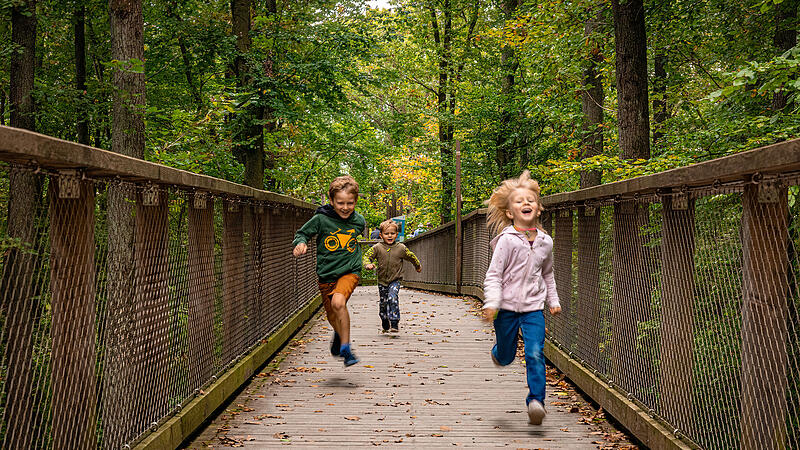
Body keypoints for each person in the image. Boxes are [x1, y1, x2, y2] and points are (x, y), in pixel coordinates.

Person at [481, 170, 561, 425]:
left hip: (533, 309)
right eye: (519, 201)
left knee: (535, 352)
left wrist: (553, 300)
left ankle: (536, 401)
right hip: (505, 309)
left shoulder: (546, 242)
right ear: (509, 212)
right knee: (506, 356)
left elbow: (547, 274)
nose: (526, 203)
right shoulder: (506, 241)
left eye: (531, 200)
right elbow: (494, 275)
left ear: (538, 209)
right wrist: (492, 302)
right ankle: (499, 352)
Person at [293, 175, 366, 367]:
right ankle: (339, 334)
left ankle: (346, 348)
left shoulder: (359, 221)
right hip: (326, 274)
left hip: (350, 270)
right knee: (332, 315)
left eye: (350, 203)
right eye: (340, 202)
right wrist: (300, 243)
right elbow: (302, 233)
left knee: (338, 302)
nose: (345, 207)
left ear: (355, 201)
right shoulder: (321, 219)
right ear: (332, 201)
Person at [363, 219, 421, 332]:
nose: (389, 236)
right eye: (386, 234)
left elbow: (411, 256)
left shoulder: (401, 248)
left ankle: (394, 322)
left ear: (397, 234)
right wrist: (368, 264)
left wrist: (417, 265)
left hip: (395, 279)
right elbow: (367, 256)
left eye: (392, 233)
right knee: (383, 302)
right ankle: (384, 319)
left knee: (392, 297)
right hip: (382, 281)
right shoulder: (377, 248)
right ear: (381, 235)